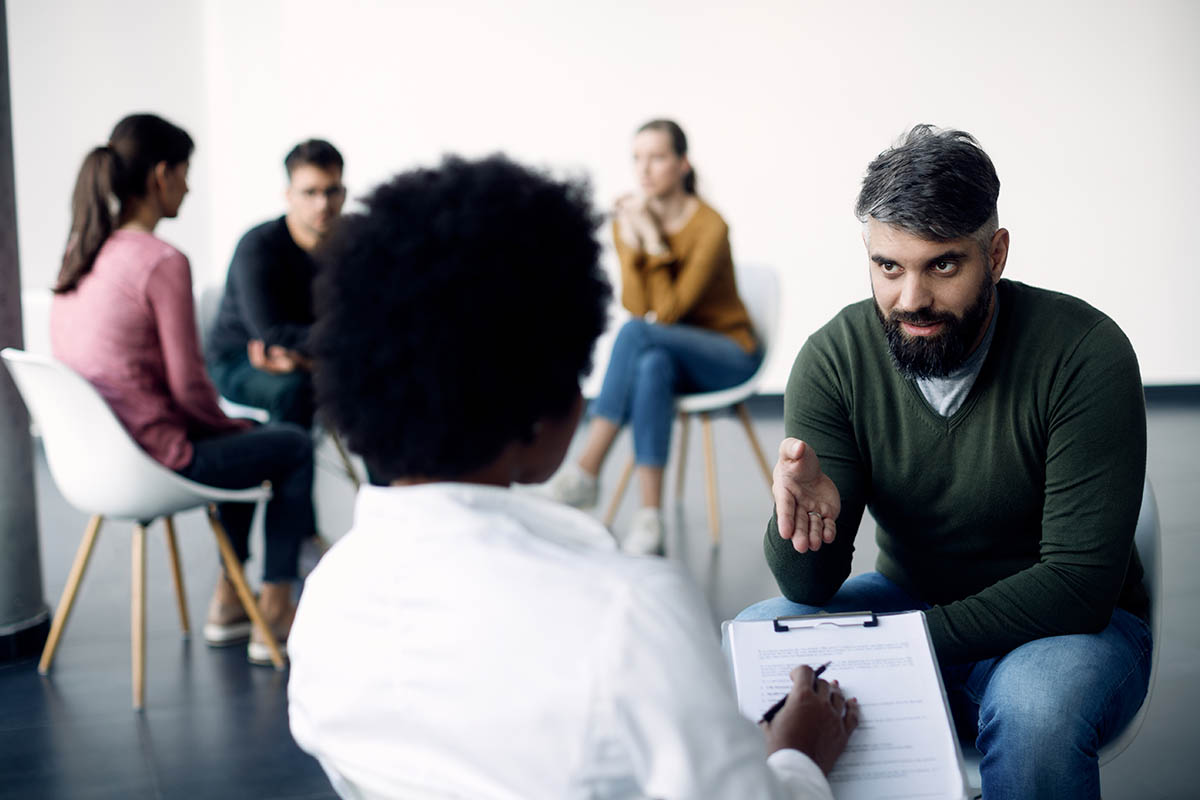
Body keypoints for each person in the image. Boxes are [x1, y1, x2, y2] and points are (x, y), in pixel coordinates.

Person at [287, 154, 858, 799]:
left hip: (716, 354)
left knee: (647, 361)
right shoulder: (630, 614)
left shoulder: (326, 602)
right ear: (546, 412)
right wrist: (798, 757)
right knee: (647, 362)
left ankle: (599, 478)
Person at [738, 125, 1151, 798]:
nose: (910, 300)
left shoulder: (1085, 352)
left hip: (1068, 625)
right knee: (761, 633)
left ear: (996, 253)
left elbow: (1078, 584)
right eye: (888, 267)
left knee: (1036, 713)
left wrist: (902, 645)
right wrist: (796, 520)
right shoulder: (834, 358)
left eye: (943, 266)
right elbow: (808, 588)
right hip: (913, 599)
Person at [50, 113, 316, 666]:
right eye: (187, 173)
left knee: (249, 441)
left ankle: (229, 601)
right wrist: (236, 426)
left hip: (94, 461)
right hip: (157, 458)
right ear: (161, 175)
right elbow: (192, 392)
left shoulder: (81, 251)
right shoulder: (161, 261)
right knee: (286, 444)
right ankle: (274, 607)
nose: (190, 187)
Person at [539, 119, 762, 555]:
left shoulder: (710, 226)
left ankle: (585, 470)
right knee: (651, 363)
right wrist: (631, 238)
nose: (644, 170)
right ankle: (650, 518)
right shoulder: (630, 221)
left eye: (657, 157)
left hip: (728, 352)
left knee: (640, 336)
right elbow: (639, 304)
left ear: (682, 164)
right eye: (637, 159)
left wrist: (652, 242)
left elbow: (667, 312)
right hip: (670, 353)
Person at [205, 138, 346, 430]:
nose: (322, 204)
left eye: (331, 191)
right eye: (310, 192)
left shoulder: (350, 245)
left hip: (314, 355)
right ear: (288, 194)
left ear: (343, 193)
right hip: (241, 360)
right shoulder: (258, 246)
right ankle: (286, 472)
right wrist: (339, 349)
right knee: (296, 390)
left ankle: (383, 478)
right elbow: (272, 334)